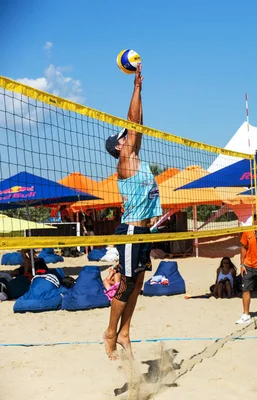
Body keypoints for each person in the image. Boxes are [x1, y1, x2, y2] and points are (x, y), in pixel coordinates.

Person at [103, 63, 162, 361]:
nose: (129, 135)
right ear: (120, 146)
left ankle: (125, 331)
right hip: (130, 231)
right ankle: (111, 331)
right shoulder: (125, 159)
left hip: (143, 232)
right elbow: (134, 120)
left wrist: (139, 92)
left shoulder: (134, 155)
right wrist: (136, 88)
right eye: (124, 136)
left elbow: (137, 122)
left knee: (138, 283)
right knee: (126, 284)